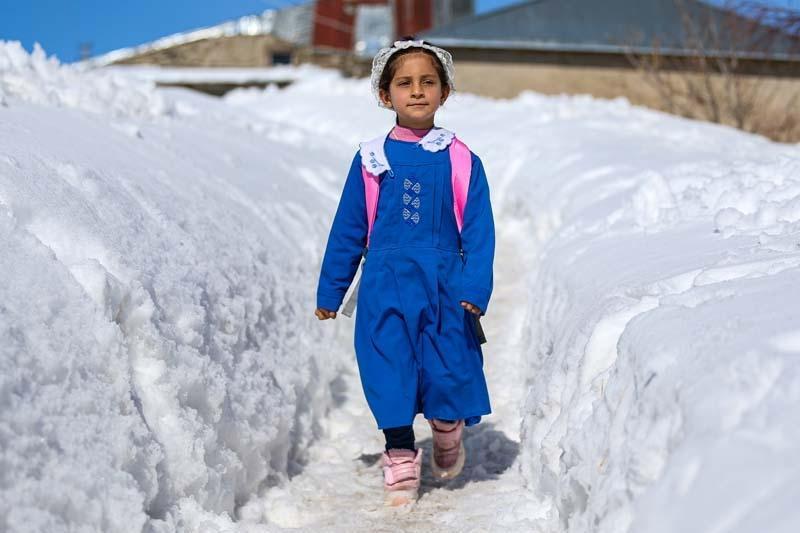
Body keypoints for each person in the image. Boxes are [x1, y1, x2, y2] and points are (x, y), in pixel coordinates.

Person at [314, 36, 495, 507]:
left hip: (443, 286)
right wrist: (331, 290)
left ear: (445, 92)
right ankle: (398, 453)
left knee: (447, 369)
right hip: (384, 286)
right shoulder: (371, 159)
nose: (417, 91)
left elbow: (479, 232)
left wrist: (475, 287)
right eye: (405, 83)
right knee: (387, 368)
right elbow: (349, 228)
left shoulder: (461, 159)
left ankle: (447, 427)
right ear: (385, 95)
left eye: (428, 82)